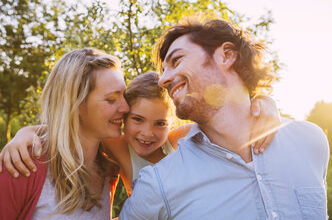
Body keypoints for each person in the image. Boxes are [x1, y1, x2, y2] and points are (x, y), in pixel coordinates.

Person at [119, 17, 329, 219]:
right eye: (163, 71)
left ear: (227, 55)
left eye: (177, 60)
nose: (163, 80)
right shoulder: (157, 184)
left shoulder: (311, 141)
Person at [0, 72, 279, 196]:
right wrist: (26, 132)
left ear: (172, 121)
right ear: (124, 115)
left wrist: (265, 102)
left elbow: (231, 121)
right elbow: (71, 127)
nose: (147, 133)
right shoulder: (118, 146)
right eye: (137, 120)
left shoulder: (180, 140)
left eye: (160, 123)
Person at [0, 48, 130, 219]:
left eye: (124, 96)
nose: (125, 108)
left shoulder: (108, 169)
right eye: (111, 99)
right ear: (75, 103)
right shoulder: (23, 163)